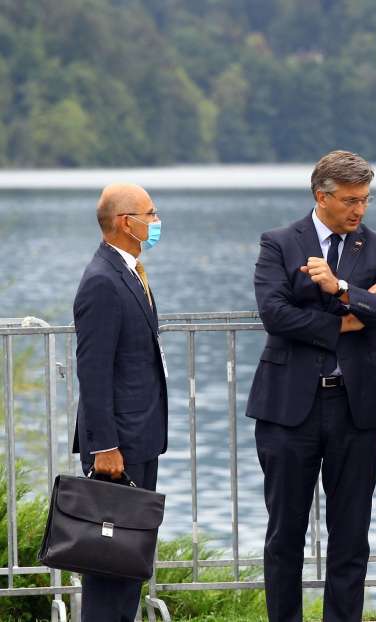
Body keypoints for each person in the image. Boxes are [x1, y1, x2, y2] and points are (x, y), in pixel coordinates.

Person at [246, 150, 376, 622]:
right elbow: (273, 314)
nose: (360, 210)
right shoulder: (278, 243)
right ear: (323, 197)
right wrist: (348, 322)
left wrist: (340, 288)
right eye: (352, 200)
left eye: (366, 200)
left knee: (351, 534)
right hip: (287, 409)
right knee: (284, 535)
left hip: (356, 411)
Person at [73, 183, 167, 622]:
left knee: (130, 562)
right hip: (118, 448)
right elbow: (92, 372)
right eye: (150, 213)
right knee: (108, 566)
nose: (156, 221)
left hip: (141, 438)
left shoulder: (129, 271)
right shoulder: (102, 281)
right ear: (125, 222)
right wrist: (104, 445)